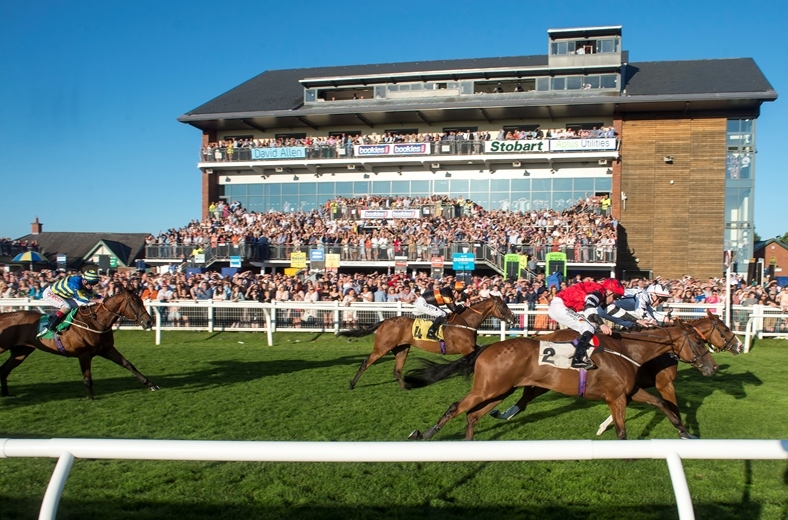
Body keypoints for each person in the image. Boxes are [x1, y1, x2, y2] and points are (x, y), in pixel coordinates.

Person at [548, 278, 625, 369]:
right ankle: (577, 359)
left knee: (592, 325)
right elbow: (589, 307)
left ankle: (577, 349)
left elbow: (613, 310)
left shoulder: (601, 293)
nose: (614, 301)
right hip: (559, 306)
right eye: (615, 297)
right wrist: (602, 324)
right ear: (609, 291)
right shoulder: (598, 292)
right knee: (588, 327)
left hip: (560, 306)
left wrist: (636, 320)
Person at [37, 269, 103, 337]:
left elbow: (92, 294)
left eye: (94, 284)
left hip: (62, 295)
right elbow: (81, 298)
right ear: (85, 281)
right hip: (50, 293)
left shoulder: (84, 283)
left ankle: (64, 321)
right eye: (92, 284)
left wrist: (102, 297)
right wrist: (98, 300)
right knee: (66, 306)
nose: (93, 286)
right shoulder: (75, 284)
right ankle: (51, 326)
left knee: (76, 307)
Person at [605, 283, 673, 328]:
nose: (660, 303)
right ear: (653, 295)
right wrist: (653, 321)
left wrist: (667, 319)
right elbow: (640, 311)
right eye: (661, 300)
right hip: (604, 305)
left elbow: (651, 313)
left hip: (612, 309)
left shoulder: (646, 299)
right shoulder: (644, 295)